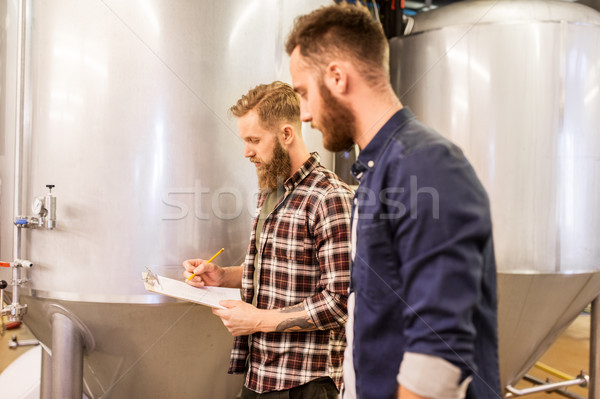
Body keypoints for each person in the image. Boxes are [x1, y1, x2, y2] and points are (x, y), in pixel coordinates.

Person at [286, 4, 501, 399]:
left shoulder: (424, 164)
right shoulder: (376, 173)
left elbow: (439, 348)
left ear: (336, 76)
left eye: (303, 93)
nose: (303, 114)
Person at [182, 81, 353, 398]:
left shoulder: (330, 197)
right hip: (260, 375)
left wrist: (257, 320)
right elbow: (277, 268)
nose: (246, 151)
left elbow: (339, 303)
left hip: (306, 383)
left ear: (287, 134)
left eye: (254, 140)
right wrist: (223, 275)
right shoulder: (271, 193)